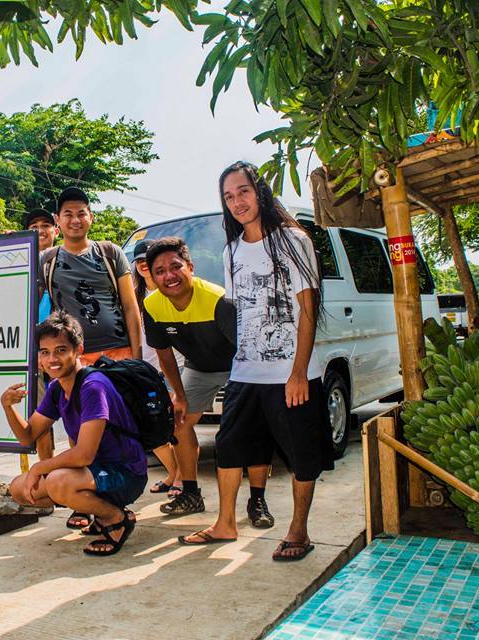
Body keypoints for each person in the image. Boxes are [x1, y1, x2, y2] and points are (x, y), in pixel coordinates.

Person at [178, 161, 334, 562]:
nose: (237, 202)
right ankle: (225, 523)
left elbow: (308, 308)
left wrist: (298, 372)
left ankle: (299, 530)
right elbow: (242, 313)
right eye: (229, 196)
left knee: (301, 455)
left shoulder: (293, 240)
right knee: (229, 446)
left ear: (259, 191)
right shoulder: (231, 251)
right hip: (246, 370)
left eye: (243, 191)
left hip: (290, 373)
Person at [2, 311, 147, 556]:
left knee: (57, 481)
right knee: (19, 488)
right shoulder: (57, 388)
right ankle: (102, 513)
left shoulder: (93, 387)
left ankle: (116, 519)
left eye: (60, 350)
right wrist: (7, 406)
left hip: (126, 473)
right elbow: (28, 436)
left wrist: (40, 468)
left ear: (78, 349)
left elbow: (83, 455)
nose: (51, 360)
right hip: (96, 472)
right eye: (44, 352)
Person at [143, 237, 239, 517]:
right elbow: (165, 355)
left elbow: (245, 352)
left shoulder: (219, 300)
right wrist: (180, 396)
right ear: (152, 276)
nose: (169, 276)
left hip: (237, 367)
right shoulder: (152, 307)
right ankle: (190, 493)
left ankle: (255, 499)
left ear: (190, 267)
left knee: (236, 432)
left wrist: (242, 395)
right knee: (178, 423)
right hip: (198, 369)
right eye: (159, 271)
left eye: (175, 267)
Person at [42, 186, 142, 365]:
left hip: (118, 352)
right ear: (57, 219)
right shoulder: (47, 260)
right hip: (71, 357)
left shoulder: (111, 253)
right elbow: (17, 285)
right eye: (68, 214)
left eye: (81, 214)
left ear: (91, 217)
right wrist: (11, 242)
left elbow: (130, 307)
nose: (75, 220)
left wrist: (137, 358)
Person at [130, 239, 181, 498]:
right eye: (138, 262)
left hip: (177, 367)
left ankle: (180, 478)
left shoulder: (171, 290)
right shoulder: (134, 296)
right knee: (153, 428)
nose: (142, 267)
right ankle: (173, 472)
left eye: (146, 262)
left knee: (177, 426)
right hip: (148, 370)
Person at [25, 208, 58, 461]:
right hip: (33, 355)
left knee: (77, 416)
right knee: (40, 417)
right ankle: (47, 474)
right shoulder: (21, 265)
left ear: (56, 231)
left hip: (63, 352)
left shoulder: (64, 261)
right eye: (33, 225)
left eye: (45, 224)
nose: (39, 229)